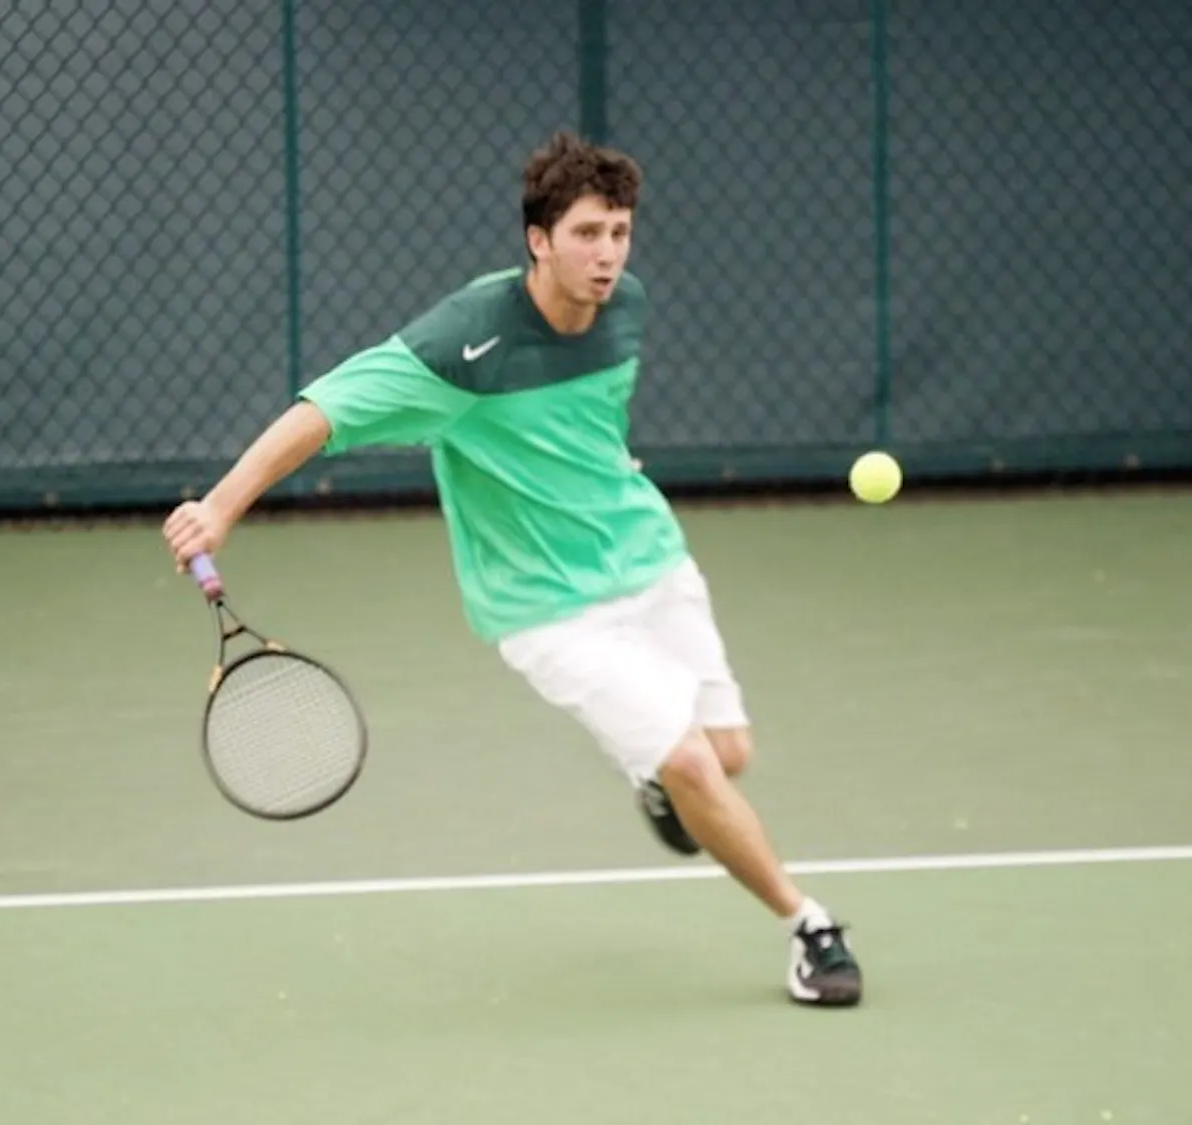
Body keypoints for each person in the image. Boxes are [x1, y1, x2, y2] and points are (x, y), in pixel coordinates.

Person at [161, 131, 862, 1008]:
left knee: (728, 755)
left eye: (619, 233)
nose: (607, 255)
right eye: (586, 234)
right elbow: (323, 412)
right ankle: (809, 925)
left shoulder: (626, 308)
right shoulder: (465, 343)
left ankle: (656, 777)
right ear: (539, 240)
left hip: (649, 559)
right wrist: (221, 507)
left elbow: (589, 425)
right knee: (693, 764)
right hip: (544, 609)